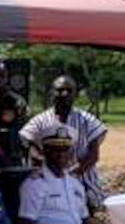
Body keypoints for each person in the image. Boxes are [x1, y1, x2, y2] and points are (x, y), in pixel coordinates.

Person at [20, 75, 108, 206]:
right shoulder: (40, 121)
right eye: (60, 90)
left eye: (69, 90)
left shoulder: (87, 120)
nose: (64, 94)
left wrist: (70, 175)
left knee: (90, 213)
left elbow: (93, 155)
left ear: (75, 94)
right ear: (52, 92)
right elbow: (26, 141)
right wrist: (45, 164)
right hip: (49, 179)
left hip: (82, 180)